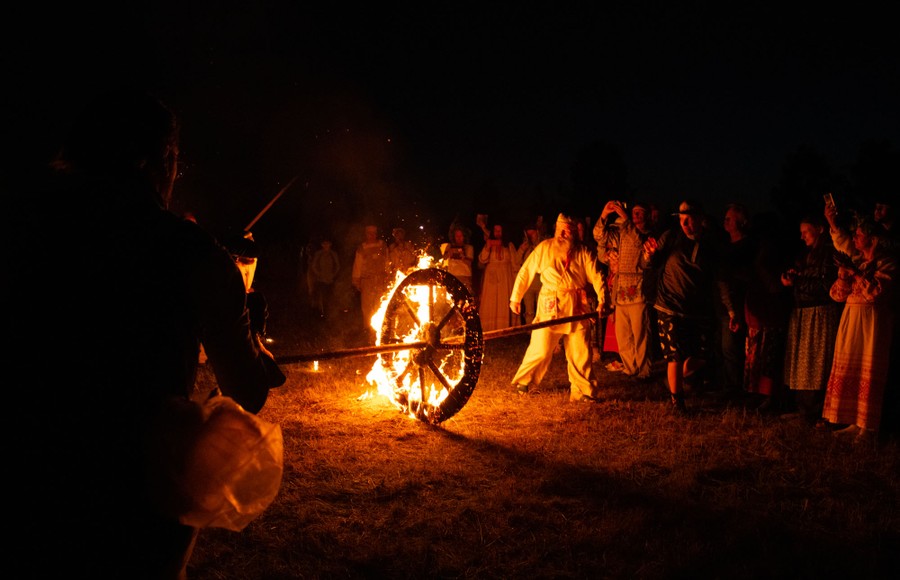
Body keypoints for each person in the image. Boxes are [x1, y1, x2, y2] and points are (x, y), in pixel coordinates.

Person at [8, 89, 286, 578]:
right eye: (173, 158)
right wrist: (249, 329)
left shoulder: (26, 225)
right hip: (133, 489)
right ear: (157, 160)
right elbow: (249, 389)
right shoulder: (190, 253)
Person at [641, 199, 730, 413]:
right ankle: (677, 401)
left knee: (703, 355)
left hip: (695, 309)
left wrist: (731, 309)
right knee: (675, 355)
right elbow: (648, 264)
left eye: (689, 219)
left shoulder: (710, 244)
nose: (685, 223)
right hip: (668, 304)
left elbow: (719, 278)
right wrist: (649, 255)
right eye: (681, 219)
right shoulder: (671, 237)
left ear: (700, 219)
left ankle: (673, 378)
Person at [508, 213, 607, 402]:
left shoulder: (584, 251)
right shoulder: (544, 248)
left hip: (577, 304)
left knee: (580, 350)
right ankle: (525, 382)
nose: (564, 235)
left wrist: (603, 300)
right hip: (550, 303)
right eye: (561, 231)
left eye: (568, 231)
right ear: (556, 230)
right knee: (541, 345)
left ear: (574, 233)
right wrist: (516, 298)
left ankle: (583, 391)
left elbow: (597, 276)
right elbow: (526, 271)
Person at [820, 214, 896, 443]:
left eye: (859, 234)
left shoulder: (887, 263)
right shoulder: (859, 263)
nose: (854, 237)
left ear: (873, 239)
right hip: (851, 322)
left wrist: (854, 273)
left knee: (868, 369)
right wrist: (844, 275)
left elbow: (875, 293)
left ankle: (868, 426)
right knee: (850, 368)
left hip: (872, 325)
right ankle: (853, 420)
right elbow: (836, 295)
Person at [781, 214, 843, 425]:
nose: (802, 236)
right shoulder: (808, 254)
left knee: (814, 364)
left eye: (806, 231)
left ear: (820, 229)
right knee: (802, 363)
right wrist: (792, 277)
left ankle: (813, 412)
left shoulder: (829, 254)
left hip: (818, 313)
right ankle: (803, 410)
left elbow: (827, 288)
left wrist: (797, 283)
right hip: (803, 312)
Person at [594, 200, 654, 380]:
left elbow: (637, 242)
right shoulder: (620, 233)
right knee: (623, 335)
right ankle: (630, 368)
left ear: (646, 216)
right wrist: (604, 214)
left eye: (639, 213)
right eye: (633, 213)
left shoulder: (646, 235)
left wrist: (626, 218)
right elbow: (598, 236)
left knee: (640, 334)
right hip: (620, 291)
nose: (635, 216)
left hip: (637, 289)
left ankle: (644, 371)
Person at [477, 222, 521, 331]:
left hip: (505, 277)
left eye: (499, 231)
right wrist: (488, 247)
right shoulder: (489, 244)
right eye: (495, 231)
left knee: (503, 301)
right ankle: (489, 328)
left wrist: (516, 279)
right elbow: (482, 259)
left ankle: (504, 328)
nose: (497, 233)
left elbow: (515, 263)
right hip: (491, 277)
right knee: (491, 302)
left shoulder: (509, 245)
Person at [352, 223, 391, 335]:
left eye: (374, 233)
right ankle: (368, 329)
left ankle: (380, 330)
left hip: (380, 280)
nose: (372, 236)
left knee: (380, 304)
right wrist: (356, 281)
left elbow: (387, 261)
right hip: (367, 281)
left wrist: (388, 276)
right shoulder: (362, 248)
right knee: (367, 307)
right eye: (369, 234)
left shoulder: (382, 245)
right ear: (366, 234)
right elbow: (357, 265)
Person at [516, 222, 544, 323]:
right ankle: (529, 331)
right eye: (529, 235)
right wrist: (522, 250)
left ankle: (541, 331)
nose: (531, 237)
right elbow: (517, 261)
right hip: (528, 283)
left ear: (537, 233)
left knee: (542, 309)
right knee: (529, 310)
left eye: (533, 234)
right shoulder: (524, 247)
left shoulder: (542, 245)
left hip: (541, 282)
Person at [440, 223, 475, 296]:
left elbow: (470, 263)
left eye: (460, 236)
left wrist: (463, 257)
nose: (459, 238)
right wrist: (449, 253)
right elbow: (444, 258)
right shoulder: (449, 246)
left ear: (464, 236)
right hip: (452, 275)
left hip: (465, 276)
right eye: (457, 236)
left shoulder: (469, 248)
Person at [309, 237, 341, 318]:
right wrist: (318, 273)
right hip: (321, 279)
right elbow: (313, 265)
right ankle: (323, 312)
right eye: (324, 244)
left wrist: (334, 274)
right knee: (322, 296)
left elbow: (337, 265)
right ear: (322, 245)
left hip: (330, 279)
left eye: (328, 244)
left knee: (330, 296)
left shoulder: (333, 254)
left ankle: (331, 313)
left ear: (330, 245)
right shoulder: (318, 254)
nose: (326, 246)